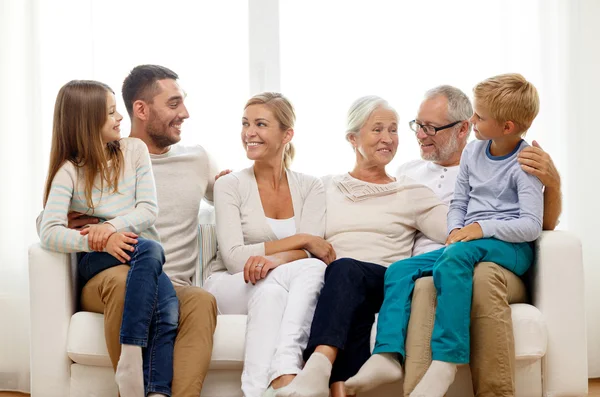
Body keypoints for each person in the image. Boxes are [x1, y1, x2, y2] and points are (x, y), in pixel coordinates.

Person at [346, 73, 545, 397]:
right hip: (467, 242)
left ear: (506, 126)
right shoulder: (473, 154)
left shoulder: (524, 164)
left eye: (479, 117)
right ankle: (386, 354)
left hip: (509, 247)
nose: (473, 120)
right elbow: (461, 204)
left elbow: (531, 225)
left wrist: (481, 229)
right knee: (400, 270)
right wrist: (455, 229)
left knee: (454, 258)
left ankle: (447, 359)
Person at [59, 65, 218, 397]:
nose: (185, 113)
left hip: (171, 284)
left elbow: (237, 202)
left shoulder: (198, 159)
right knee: (121, 281)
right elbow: (50, 218)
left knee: (201, 301)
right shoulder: (105, 154)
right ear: (141, 110)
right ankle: (130, 386)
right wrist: (91, 231)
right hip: (111, 276)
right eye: (173, 104)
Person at [275, 96, 448, 397]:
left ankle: (318, 365)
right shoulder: (324, 186)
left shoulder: (410, 191)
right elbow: (287, 218)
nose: (388, 138)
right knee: (348, 300)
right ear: (352, 138)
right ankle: (341, 390)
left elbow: (455, 232)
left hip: (385, 281)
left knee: (345, 269)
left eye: (393, 130)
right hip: (337, 286)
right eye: (377, 129)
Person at [39, 80, 177, 397]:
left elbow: (148, 210)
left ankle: (155, 391)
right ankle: (129, 353)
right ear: (87, 123)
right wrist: (97, 240)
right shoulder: (69, 172)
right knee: (152, 248)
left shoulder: (134, 150)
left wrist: (111, 227)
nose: (120, 119)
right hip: (100, 259)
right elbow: (48, 231)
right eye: (112, 113)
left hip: (137, 254)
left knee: (167, 307)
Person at [203, 92, 333, 397]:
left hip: (273, 284)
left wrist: (276, 259)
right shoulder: (229, 185)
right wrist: (301, 240)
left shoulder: (310, 186)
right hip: (230, 284)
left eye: (261, 124)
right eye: (246, 123)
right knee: (310, 269)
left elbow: (316, 251)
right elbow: (235, 258)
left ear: (286, 134)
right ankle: (286, 366)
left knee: (273, 291)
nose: (249, 132)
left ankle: (258, 391)